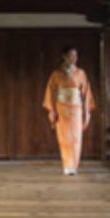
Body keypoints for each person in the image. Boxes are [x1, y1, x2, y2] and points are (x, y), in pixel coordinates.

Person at [42, 46, 93, 175]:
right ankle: (67, 166)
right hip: (62, 107)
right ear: (64, 56)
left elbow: (86, 93)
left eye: (75, 56)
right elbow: (50, 92)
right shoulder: (56, 74)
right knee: (64, 137)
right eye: (71, 55)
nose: (74, 59)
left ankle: (74, 166)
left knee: (76, 137)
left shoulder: (81, 73)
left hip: (76, 108)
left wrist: (87, 111)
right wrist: (52, 109)